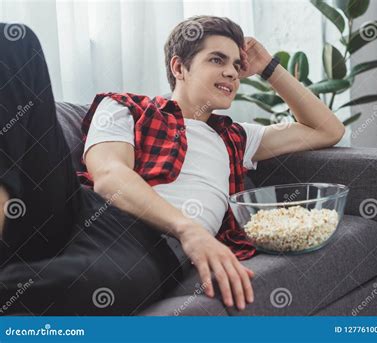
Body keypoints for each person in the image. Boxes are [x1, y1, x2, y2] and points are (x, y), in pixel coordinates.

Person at [0, 15, 344, 315]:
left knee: (103, 285)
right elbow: (108, 176)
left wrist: (268, 67)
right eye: (217, 59)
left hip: (148, 245)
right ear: (179, 67)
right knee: (14, 41)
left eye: (238, 66)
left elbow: (327, 129)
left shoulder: (237, 138)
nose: (232, 72)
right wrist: (188, 229)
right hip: (83, 209)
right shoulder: (127, 107)